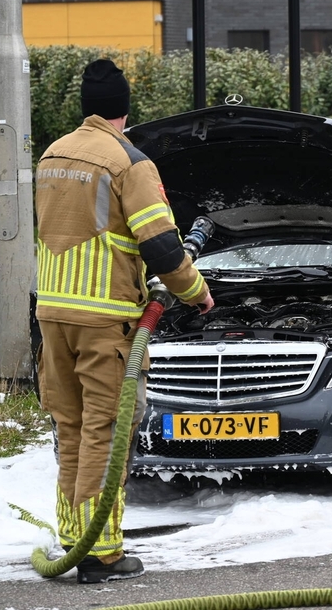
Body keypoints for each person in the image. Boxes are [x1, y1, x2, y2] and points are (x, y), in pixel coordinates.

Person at [34, 58, 214, 582]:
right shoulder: (129, 163)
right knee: (105, 433)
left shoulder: (52, 155)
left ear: (85, 108)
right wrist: (196, 292)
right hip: (104, 320)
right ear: (126, 109)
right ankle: (102, 553)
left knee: (69, 428)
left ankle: (73, 538)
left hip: (52, 314)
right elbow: (161, 245)